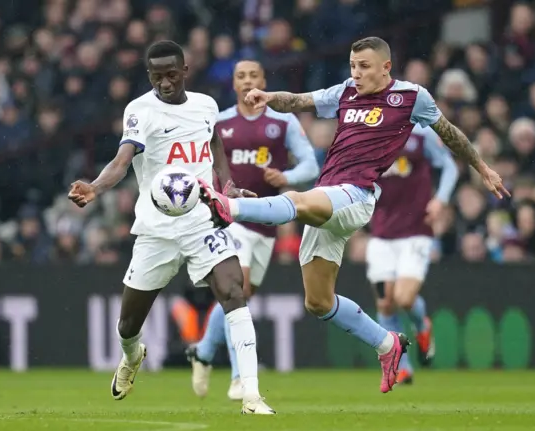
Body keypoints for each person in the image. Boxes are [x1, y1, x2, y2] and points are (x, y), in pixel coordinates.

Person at [198, 36, 509, 393]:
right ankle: (388, 345)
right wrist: (270, 98)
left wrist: (482, 167)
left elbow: (449, 133)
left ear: (385, 67)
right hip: (329, 195)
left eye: (363, 66)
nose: (356, 74)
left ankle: (228, 206)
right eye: (352, 66)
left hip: (355, 195)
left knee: (297, 201)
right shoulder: (347, 91)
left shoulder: (411, 97)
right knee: (318, 302)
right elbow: (301, 100)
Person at [67, 41, 275, 415]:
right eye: (156, 76)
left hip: (201, 222)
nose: (164, 82)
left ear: (184, 71)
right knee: (128, 324)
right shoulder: (140, 111)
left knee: (234, 292)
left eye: (170, 74)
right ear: (149, 75)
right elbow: (121, 160)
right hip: (156, 231)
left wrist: (225, 186)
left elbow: (215, 147)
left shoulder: (206, 106)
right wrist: (96, 188)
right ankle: (132, 358)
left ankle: (252, 396)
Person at [187, 59, 319, 401]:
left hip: (266, 224)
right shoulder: (221, 122)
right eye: (241, 76)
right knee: (238, 288)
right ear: (233, 84)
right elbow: (204, 164)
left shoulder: (282, 121)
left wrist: (286, 178)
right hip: (230, 219)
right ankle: (239, 377)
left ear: (264, 80)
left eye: (254, 75)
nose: (247, 81)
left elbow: (310, 164)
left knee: (241, 295)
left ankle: (202, 351)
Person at [367, 124, 458, 384]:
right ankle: (402, 365)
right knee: (385, 303)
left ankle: (422, 326)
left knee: (404, 298)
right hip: (381, 234)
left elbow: (449, 167)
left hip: (416, 231)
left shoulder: (420, 133)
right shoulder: (368, 135)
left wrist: (440, 199)